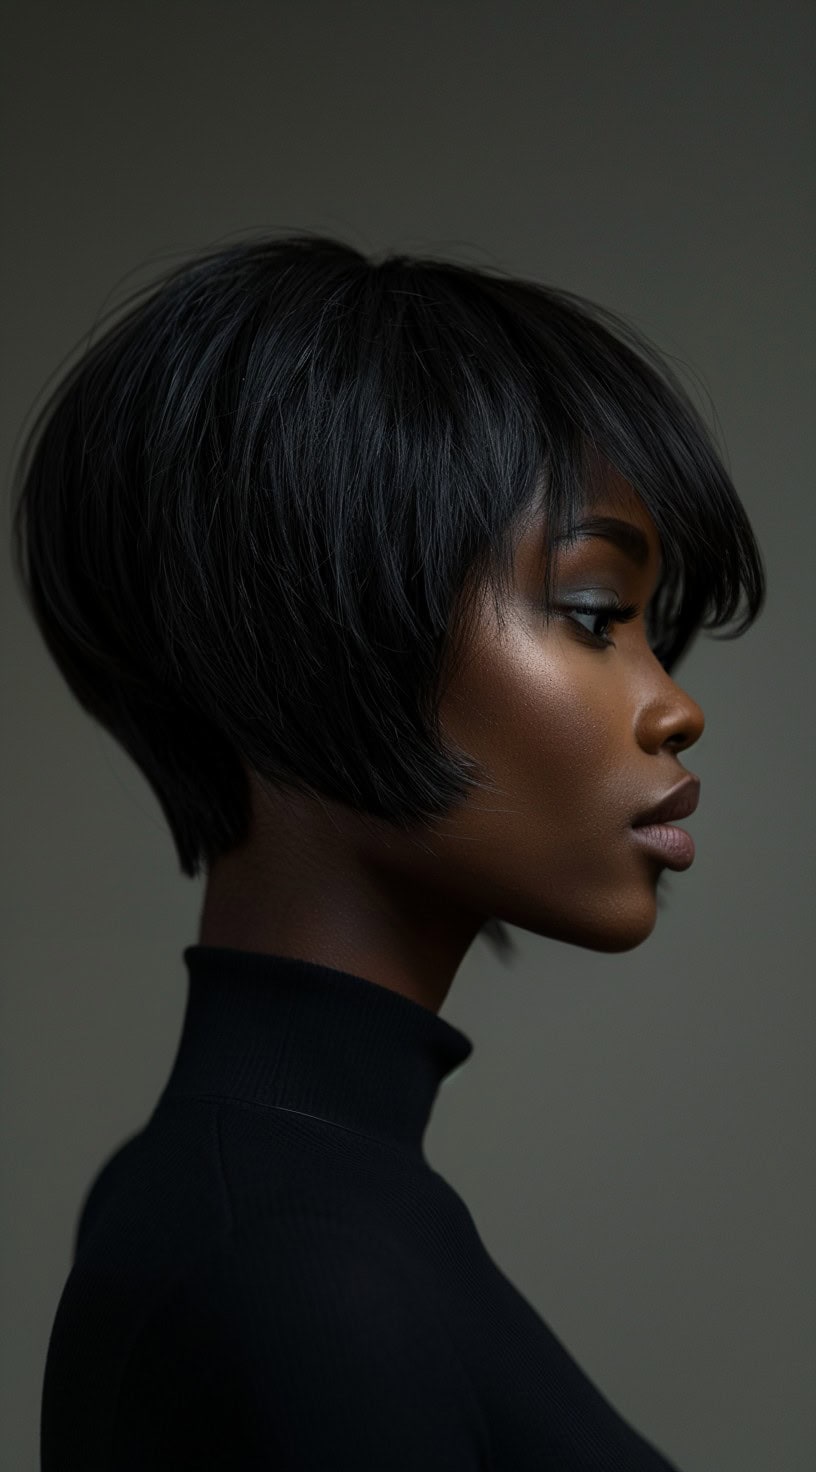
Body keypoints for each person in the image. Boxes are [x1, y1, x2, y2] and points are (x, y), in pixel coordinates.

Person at [13, 234, 765, 1469]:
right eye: (592, 615)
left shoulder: (272, 1209)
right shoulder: (302, 1269)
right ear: (315, 630)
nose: (673, 705)